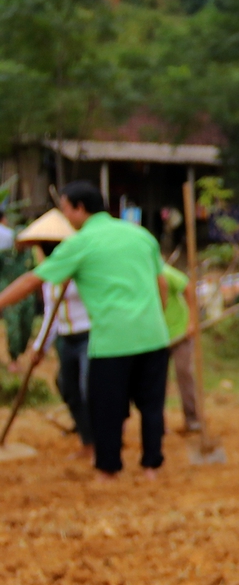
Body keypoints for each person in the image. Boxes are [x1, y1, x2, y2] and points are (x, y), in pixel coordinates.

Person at [0, 183, 173, 479]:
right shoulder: (140, 234)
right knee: (151, 406)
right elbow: (162, 284)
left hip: (111, 339)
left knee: (106, 406)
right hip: (153, 334)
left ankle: (108, 468)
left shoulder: (80, 243)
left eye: (66, 208)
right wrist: (154, 318)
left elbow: (33, 281)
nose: (65, 216)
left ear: (80, 208)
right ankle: (150, 466)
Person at [13, 210, 92, 456]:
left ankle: (106, 439)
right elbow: (51, 314)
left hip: (89, 335)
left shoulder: (81, 270)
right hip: (66, 338)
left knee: (88, 388)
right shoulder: (49, 274)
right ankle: (88, 441)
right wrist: (40, 347)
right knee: (67, 386)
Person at [159, 260, 202, 434]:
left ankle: (192, 419)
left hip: (179, 334)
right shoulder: (138, 277)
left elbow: (189, 289)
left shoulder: (166, 272)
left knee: (184, 373)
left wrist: (192, 321)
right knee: (156, 381)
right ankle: (157, 424)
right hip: (156, 337)